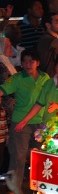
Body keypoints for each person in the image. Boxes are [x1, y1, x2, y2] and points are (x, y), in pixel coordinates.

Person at [0, 49, 49, 186]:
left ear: (37, 63)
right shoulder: (17, 78)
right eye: (25, 62)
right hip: (21, 122)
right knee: (18, 156)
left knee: (39, 154)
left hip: (40, 122)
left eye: (31, 61)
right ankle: (13, 187)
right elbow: (3, 90)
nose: (28, 64)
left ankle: (39, 185)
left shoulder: (45, 78)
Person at [15, 53, 58, 130]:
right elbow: (39, 104)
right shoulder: (48, 83)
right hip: (47, 126)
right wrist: (25, 121)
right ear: (55, 67)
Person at [0, 38, 16, 173]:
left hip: (9, 110)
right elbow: (9, 85)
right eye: (8, 46)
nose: (11, 49)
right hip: (5, 110)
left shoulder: (7, 62)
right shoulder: (1, 65)